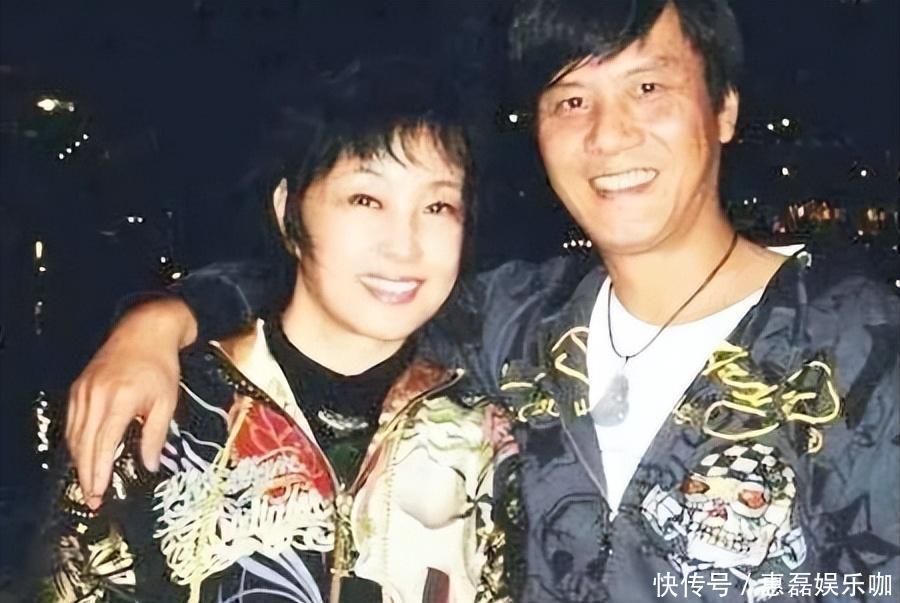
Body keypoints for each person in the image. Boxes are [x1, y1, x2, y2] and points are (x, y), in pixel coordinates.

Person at [65, 1, 899, 601]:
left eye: (649, 88)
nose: (608, 134)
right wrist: (162, 320)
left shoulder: (857, 343)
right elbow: (336, 293)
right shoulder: (515, 322)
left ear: (723, 109)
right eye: (570, 100)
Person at [48, 59, 515, 603]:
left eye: (437, 206)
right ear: (288, 211)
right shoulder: (169, 410)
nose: (404, 245)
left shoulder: (484, 436)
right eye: (366, 199)